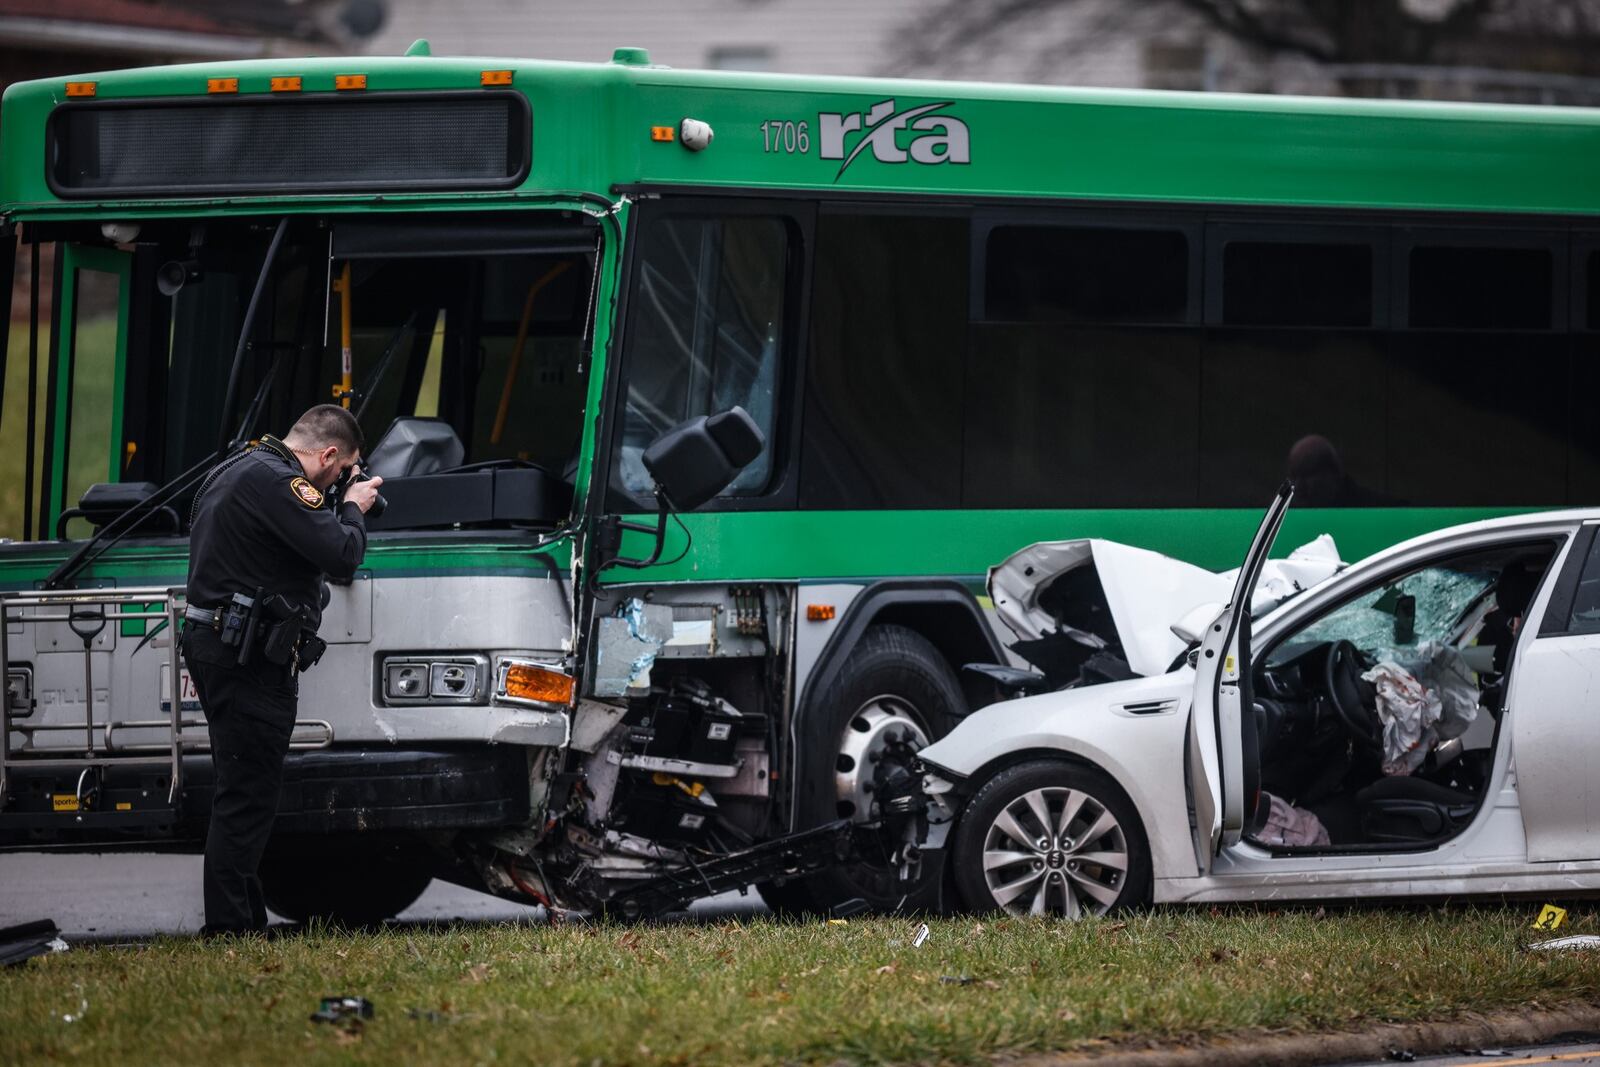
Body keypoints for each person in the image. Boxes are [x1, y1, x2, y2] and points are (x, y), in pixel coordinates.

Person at [182, 404, 383, 935]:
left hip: (223, 646)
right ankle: (229, 929)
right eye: (343, 471)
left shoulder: (242, 467)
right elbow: (342, 556)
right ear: (329, 454)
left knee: (245, 786)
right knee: (247, 794)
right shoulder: (281, 483)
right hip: (244, 657)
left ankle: (243, 921)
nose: (342, 481)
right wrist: (355, 507)